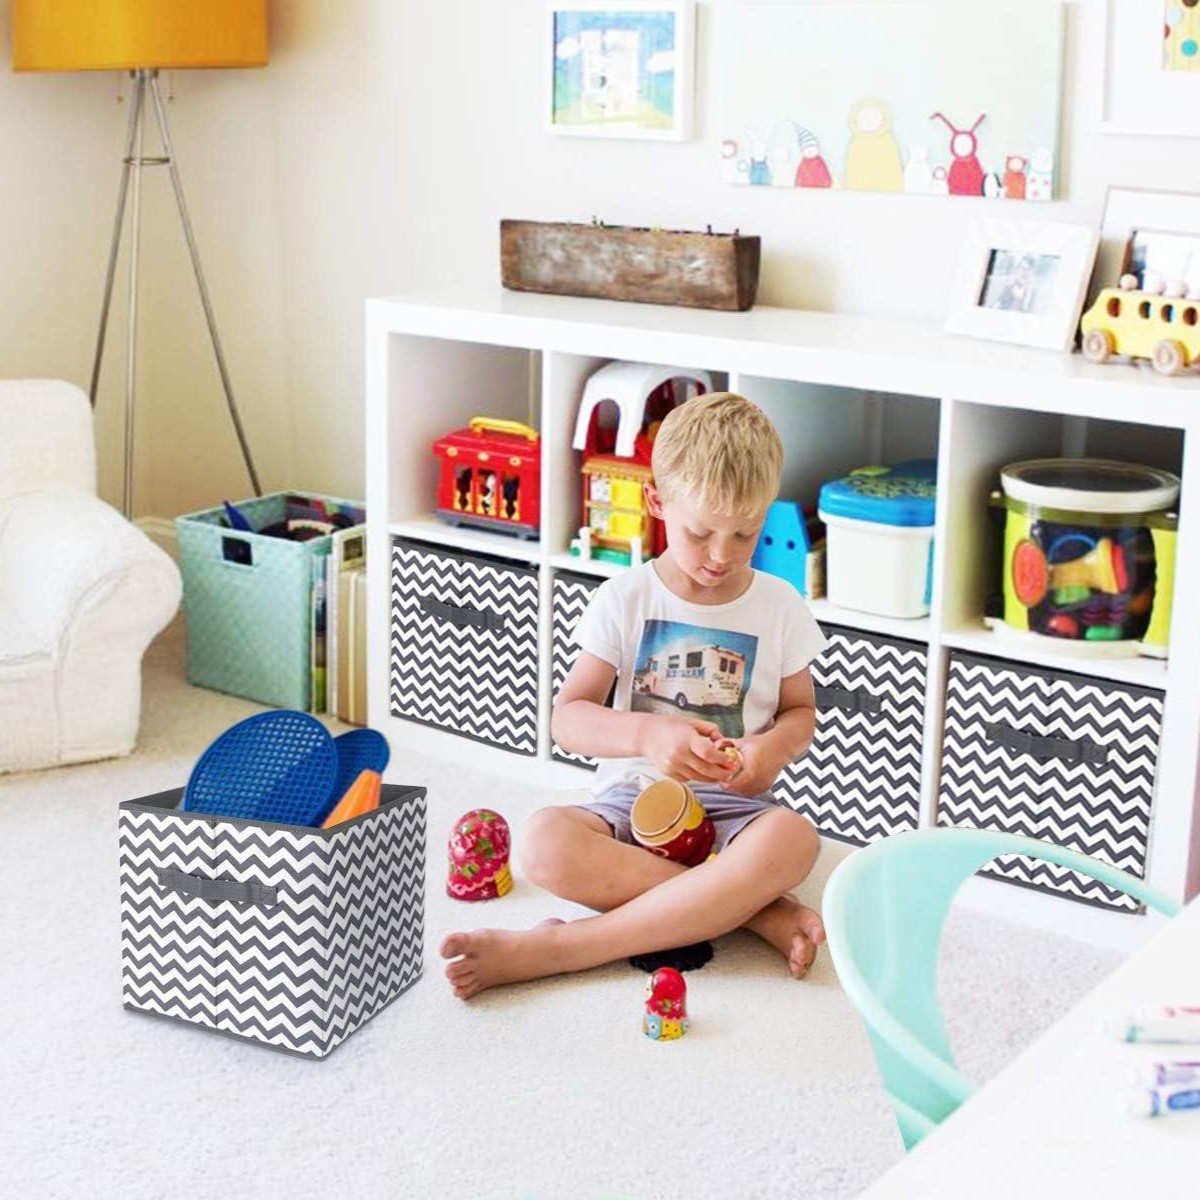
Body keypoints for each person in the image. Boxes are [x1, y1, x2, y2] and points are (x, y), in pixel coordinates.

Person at [442, 393, 828, 1000]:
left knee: (796, 840)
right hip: (632, 805)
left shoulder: (780, 605)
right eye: (699, 532)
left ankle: (565, 947)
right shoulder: (624, 599)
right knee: (545, 843)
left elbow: (800, 713)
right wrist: (647, 735)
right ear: (657, 502)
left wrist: (771, 751)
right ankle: (754, 912)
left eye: (745, 533)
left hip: (734, 813)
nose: (721, 555)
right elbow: (568, 719)